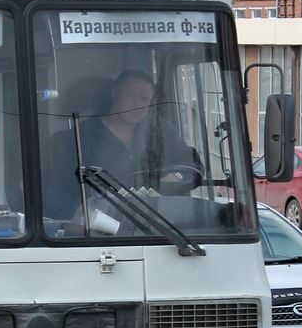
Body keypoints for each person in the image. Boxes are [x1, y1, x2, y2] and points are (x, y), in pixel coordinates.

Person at [44, 69, 202, 220]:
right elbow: (56, 197)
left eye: (144, 99)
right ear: (115, 94)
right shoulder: (79, 138)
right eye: (131, 96)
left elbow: (193, 164)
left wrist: (176, 176)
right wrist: (85, 214)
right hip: (101, 231)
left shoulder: (160, 130)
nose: (137, 105)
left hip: (160, 226)